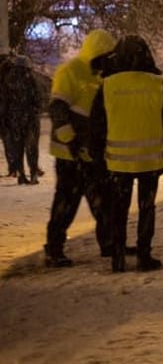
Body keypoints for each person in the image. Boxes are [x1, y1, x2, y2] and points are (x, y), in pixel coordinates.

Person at [89, 35, 163, 273]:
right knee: (146, 208)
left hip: (118, 162)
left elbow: (97, 125)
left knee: (119, 209)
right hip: (151, 160)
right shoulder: (156, 84)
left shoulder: (108, 86)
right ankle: (144, 255)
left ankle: (117, 257)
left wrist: (97, 156)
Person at [44, 28, 117, 267]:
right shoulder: (70, 71)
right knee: (67, 201)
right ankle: (54, 249)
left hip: (92, 153)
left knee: (103, 200)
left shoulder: (102, 76)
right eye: (104, 56)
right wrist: (71, 140)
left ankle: (109, 244)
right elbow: (57, 108)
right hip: (69, 153)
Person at [1, 54, 43, 185]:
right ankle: (34, 174)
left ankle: (21, 175)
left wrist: (5, 118)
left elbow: (4, 102)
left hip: (14, 119)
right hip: (30, 119)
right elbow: (39, 99)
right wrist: (34, 111)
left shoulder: (8, 80)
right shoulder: (31, 79)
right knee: (32, 148)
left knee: (17, 148)